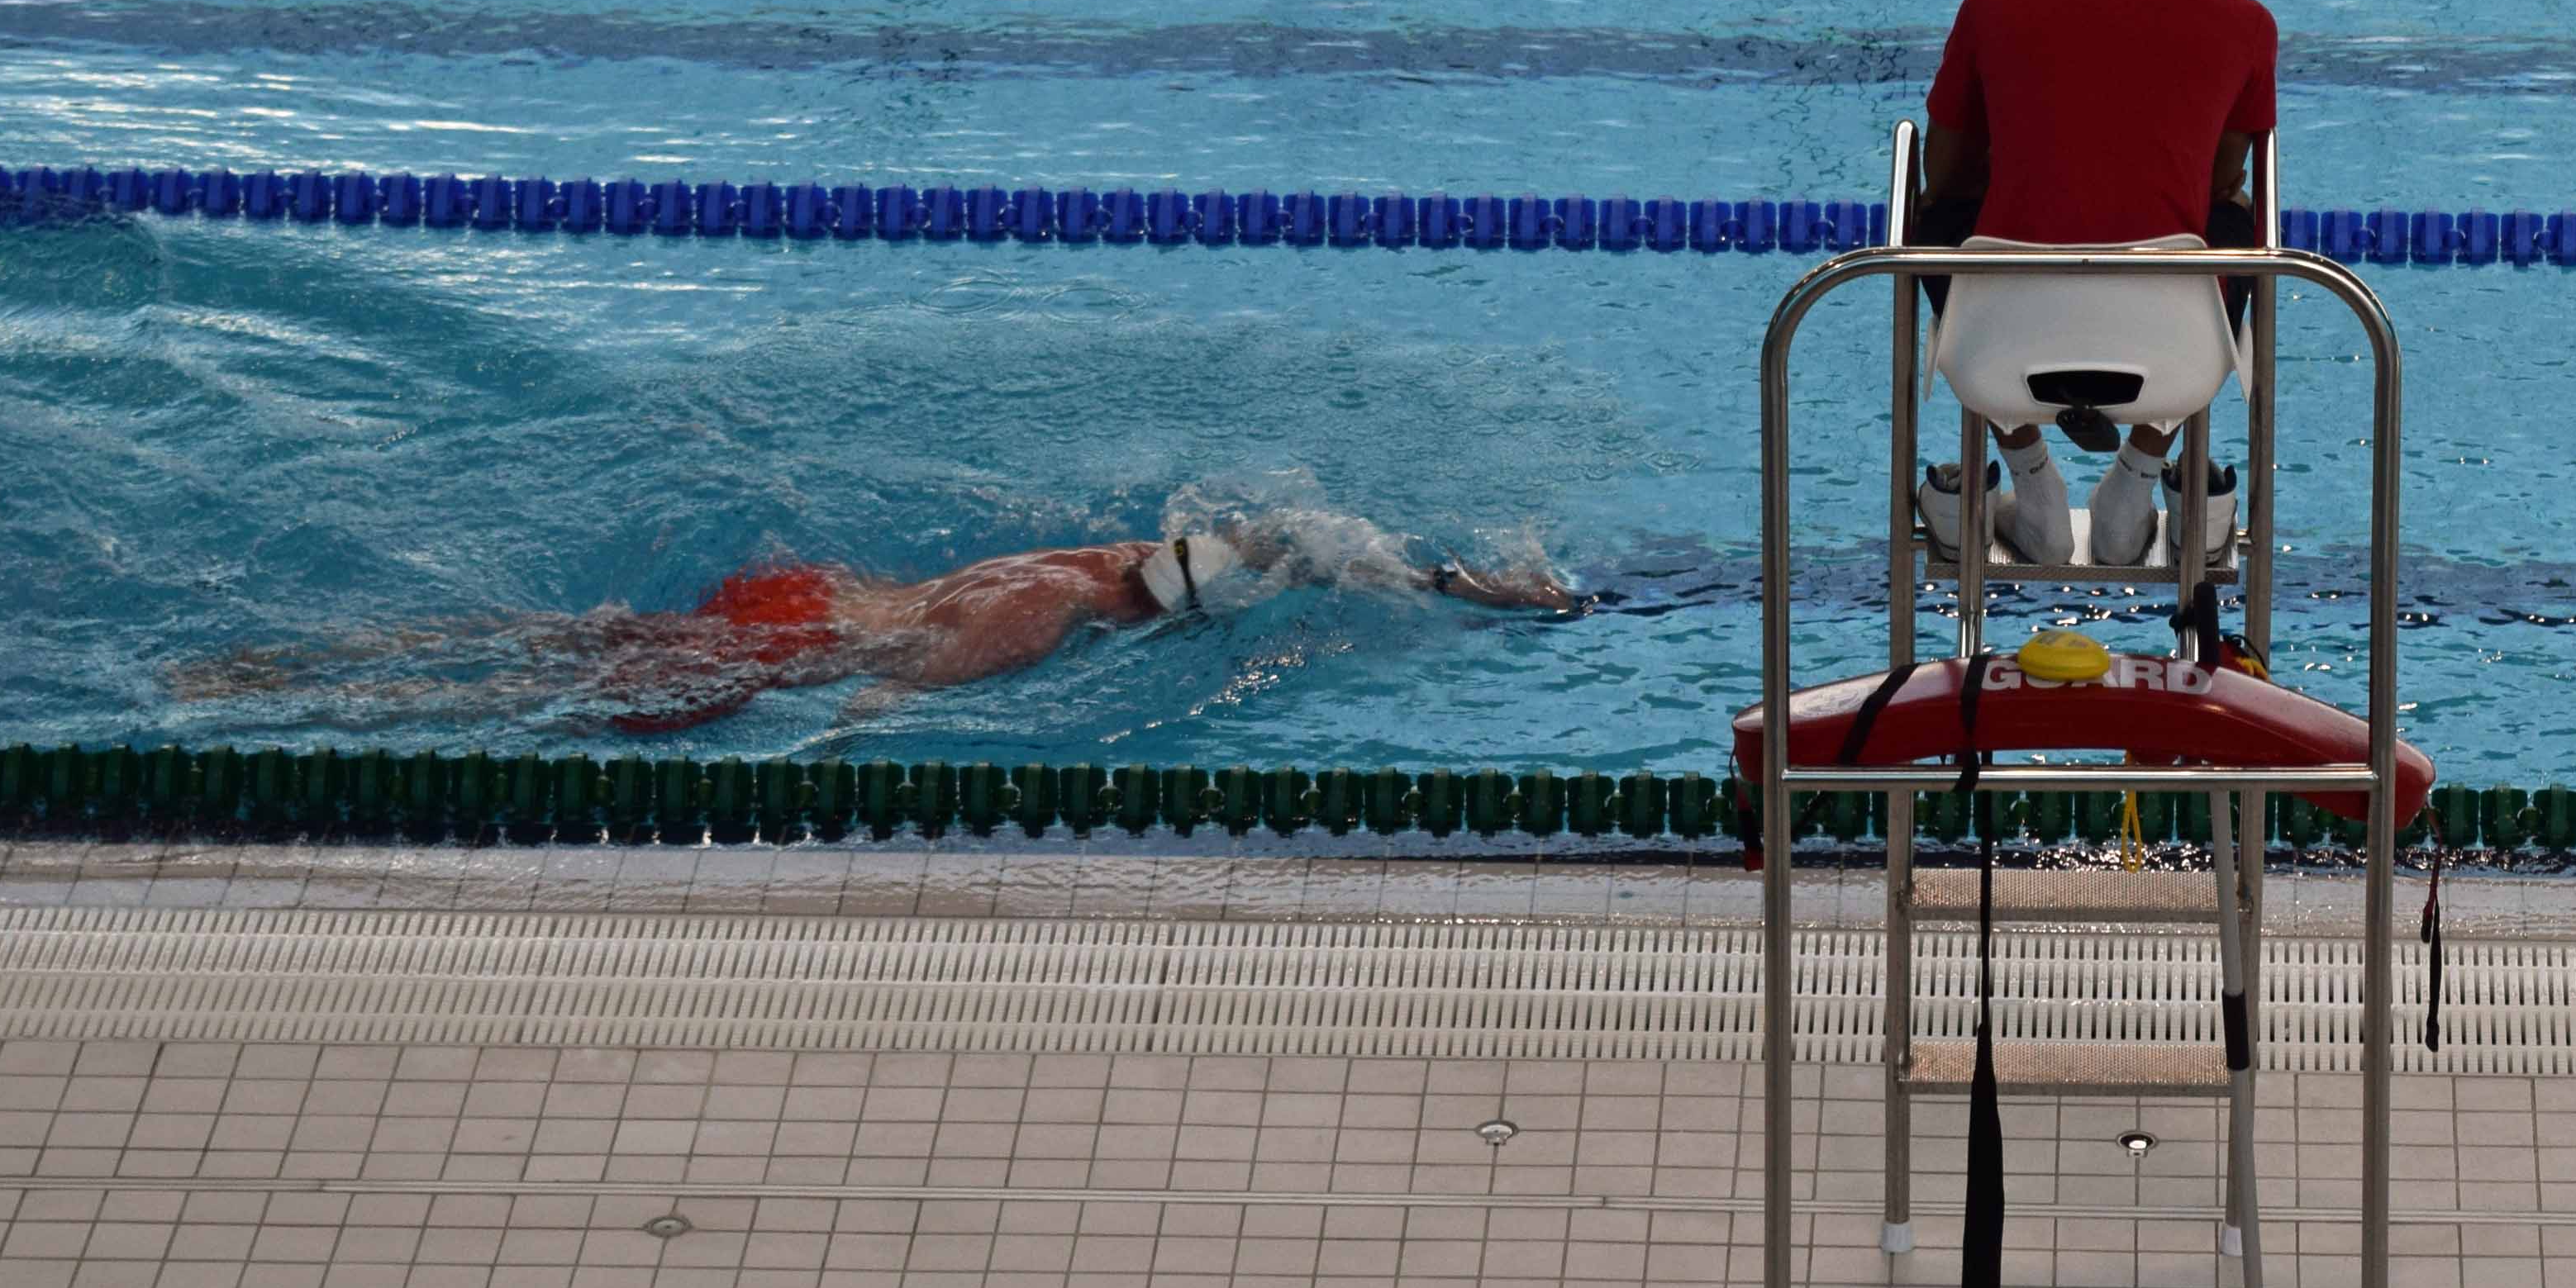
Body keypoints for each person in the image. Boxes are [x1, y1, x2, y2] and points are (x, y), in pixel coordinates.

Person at [175, 521, 1572, 734]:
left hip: (803, 590)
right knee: (525, 692)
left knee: (563, 632)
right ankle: (292, 700)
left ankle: (291, 662)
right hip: (794, 646)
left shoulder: (1090, 550)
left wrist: (1474, 582)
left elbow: (1302, 540)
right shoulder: (1047, 611)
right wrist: (857, 730)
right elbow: (900, 685)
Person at [1916, 0, 2278, 564]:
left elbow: (1943, 176)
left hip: (1996, 345)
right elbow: (2221, 177)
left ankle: (2032, 483)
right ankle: (2137, 483)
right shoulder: (2244, 25)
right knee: (2237, 221)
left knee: (1931, 213)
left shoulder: (1992, 8)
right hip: (2178, 354)